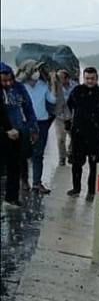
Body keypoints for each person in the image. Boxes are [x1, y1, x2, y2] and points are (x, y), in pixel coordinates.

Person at [66, 67, 99, 202]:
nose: (90, 81)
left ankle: (91, 191)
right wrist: (67, 123)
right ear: (83, 78)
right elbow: (68, 107)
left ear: (97, 78)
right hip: (78, 134)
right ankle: (76, 189)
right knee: (76, 163)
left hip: (95, 135)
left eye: (92, 78)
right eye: (87, 78)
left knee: (94, 165)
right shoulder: (77, 91)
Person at [1, 62, 38, 207]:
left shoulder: (19, 88)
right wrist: (6, 130)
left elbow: (28, 107)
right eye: (4, 80)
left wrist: (33, 128)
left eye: (10, 79)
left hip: (17, 132)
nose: (8, 83)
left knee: (15, 166)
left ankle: (12, 197)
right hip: (3, 132)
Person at [17, 60, 56, 194]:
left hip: (42, 123)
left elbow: (52, 100)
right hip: (26, 122)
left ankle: (36, 184)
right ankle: (24, 181)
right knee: (23, 153)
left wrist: (52, 82)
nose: (37, 73)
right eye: (35, 70)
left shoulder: (43, 85)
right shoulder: (20, 86)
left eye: (38, 70)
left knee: (38, 154)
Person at [52, 69, 78, 166]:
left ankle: (70, 152)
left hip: (72, 117)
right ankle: (62, 158)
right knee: (60, 138)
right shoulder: (55, 87)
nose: (58, 80)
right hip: (59, 117)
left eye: (60, 78)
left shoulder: (75, 87)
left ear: (67, 78)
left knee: (74, 137)